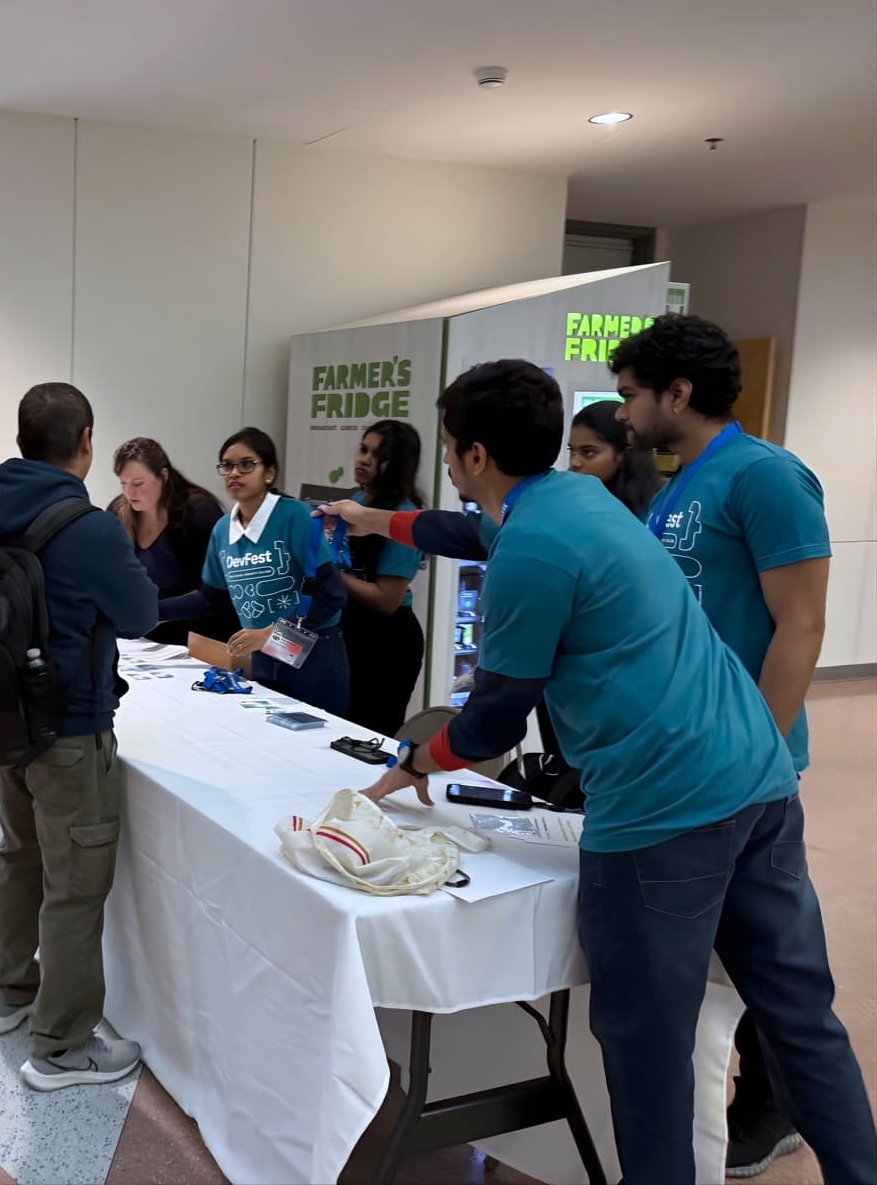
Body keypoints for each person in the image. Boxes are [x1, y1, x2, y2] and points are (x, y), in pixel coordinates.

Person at [320, 359, 874, 1185]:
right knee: (799, 1016)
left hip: (663, 813)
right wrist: (376, 519)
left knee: (646, 1043)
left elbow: (493, 722)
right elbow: (468, 531)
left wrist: (409, 764)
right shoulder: (577, 500)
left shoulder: (532, 553)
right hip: (757, 780)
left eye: (449, 449)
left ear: (473, 455)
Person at [611, 313, 834, 1178]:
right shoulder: (678, 485)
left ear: (679, 393)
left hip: (740, 771)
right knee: (708, 959)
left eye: (632, 395)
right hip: (681, 766)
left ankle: (774, 1105)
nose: (623, 414)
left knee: (763, 961)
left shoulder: (767, 477)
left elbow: (802, 624)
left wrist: (756, 754)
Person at [0, 382, 159, 1092]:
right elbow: (140, 612)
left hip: (7, 720)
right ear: (86, 439)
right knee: (77, 889)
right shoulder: (90, 527)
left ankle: (10, 994)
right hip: (73, 725)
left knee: (20, 857)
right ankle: (61, 1047)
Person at [161, 428, 349, 717]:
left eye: (246, 464)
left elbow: (331, 594)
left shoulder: (295, 516)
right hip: (265, 658)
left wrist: (271, 634)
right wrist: (152, 610)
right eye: (227, 465)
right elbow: (210, 600)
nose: (234, 473)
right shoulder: (224, 529)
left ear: (269, 473)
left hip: (314, 656)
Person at [337, 420, 426, 736]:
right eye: (363, 449)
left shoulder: (403, 517)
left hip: (388, 642)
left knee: (371, 733)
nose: (365, 460)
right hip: (349, 630)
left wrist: (331, 575)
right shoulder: (354, 501)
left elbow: (386, 599)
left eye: (379, 455)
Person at [108, 436, 233, 645]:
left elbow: (218, 594)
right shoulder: (118, 512)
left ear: (163, 476)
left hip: (197, 640)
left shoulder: (198, 512)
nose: (130, 493)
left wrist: (152, 611)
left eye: (138, 483)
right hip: (142, 642)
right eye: (123, 484)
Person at [567, 399, 660, 516]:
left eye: (589, 452)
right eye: (572, 451)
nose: (574, 462)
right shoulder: (569, 502)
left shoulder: (651, 515)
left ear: (623, 455)